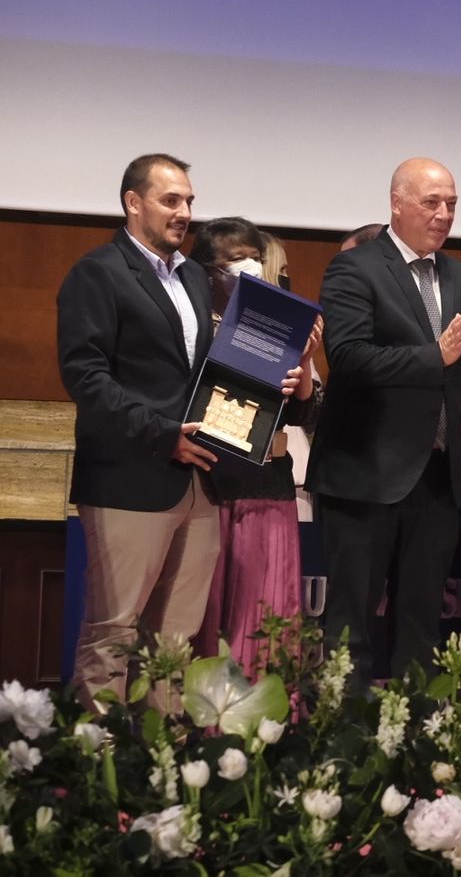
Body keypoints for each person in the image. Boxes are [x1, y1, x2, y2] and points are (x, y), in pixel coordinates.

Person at [56, 154, 303, 707]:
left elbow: (211, 373)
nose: (184, 212)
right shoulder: (97, 273)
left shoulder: (194, 276)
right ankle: (101, 777)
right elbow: (86, 379)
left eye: (189, 201)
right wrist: (163, 433)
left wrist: (274, 377)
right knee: (113, 634)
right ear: (133, 202)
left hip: (200, 481)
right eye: (172, 200)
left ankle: (157, 774)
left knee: (174, 641)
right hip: (129, 480)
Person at [306, 158, 461, 684]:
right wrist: (437, 357)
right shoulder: (355, 269)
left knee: (422, 628)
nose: (444, 214)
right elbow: (350, 358)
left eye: (451, 203)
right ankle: (344, 746)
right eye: (432, 202)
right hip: (365, 476)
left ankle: (416, 745)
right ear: (396, 203)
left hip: (436, 479)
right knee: (350, 626)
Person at [189, 218, 321, 674]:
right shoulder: (194, 323)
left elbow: (306, 416)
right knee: (212, 616)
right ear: (208, 269)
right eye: (233, 259)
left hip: (270, 484)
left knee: (265, 617)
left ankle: (266, 729)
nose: (249, 266)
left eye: (254, 256)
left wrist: (304, 366)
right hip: (212, 483)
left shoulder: (276, 322)